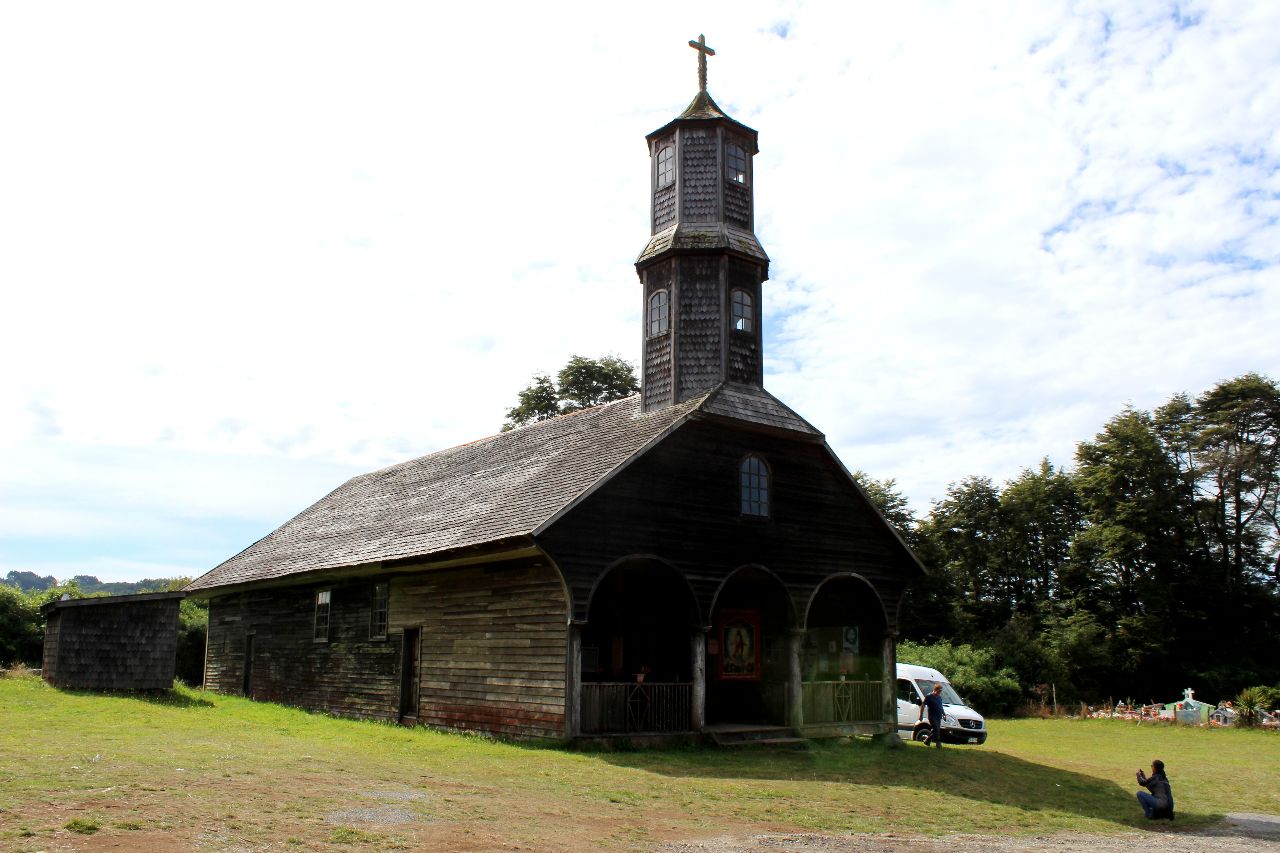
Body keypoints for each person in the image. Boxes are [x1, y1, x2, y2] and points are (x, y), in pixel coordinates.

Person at [919, 683, 945, 748]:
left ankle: (927, 740)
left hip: (938, 716)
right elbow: (923, 705)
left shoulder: (939, 697)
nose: (939, 693)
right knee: (936, 729)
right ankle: (938, 743)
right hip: (932, 716)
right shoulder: (929, 696)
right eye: (939, 691)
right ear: (935, 690)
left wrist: (944, 714)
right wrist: (921, 715)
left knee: (935, 730)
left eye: (940, 692)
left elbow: (941, 707)